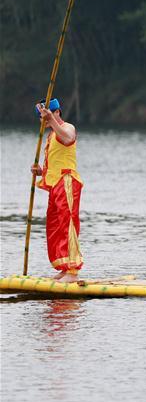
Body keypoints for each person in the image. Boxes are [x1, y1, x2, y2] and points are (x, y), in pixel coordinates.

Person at [30, 98, 84, 283]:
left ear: (57, 112)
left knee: (67, 224)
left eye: (45, 117)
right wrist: (41, 172)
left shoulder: (67, 127)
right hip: (55, 185)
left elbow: (69, 138)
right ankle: (63, 267)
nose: (43, 121)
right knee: (55, 226)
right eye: (41, 118)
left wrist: (51, 119)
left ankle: (73, 270)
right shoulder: (52, 135)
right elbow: (56, 162)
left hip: (67, 181)